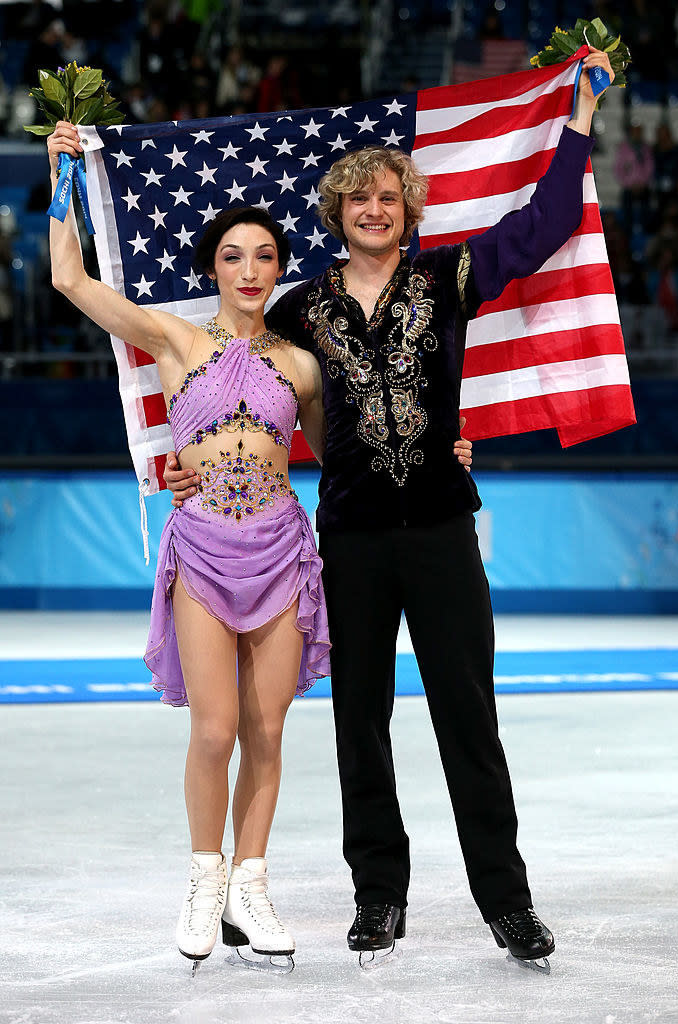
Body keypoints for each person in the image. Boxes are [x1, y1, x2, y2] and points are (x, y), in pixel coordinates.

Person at [166, 47, 614, 968]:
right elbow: (223, 380)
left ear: (409, 210)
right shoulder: (296, 308)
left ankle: (507, 902)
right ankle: (378, 898)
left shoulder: (450, 278)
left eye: (390, 196)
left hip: (444, 529)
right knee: (357, 725)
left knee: (467, 717)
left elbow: (543, 224)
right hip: (350, 539)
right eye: (358, 198)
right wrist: (188, 470)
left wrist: (577, 123)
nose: (375, 209)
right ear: (336, 213)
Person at [47, 122, 332, 971]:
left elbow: (348, 458)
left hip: (282, 551)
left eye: (266, 257)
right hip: (204, 552)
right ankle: (206, 877)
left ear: (282, 269)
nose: (251, 271)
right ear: (213, 268)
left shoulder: (304, 366)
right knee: (214, 731)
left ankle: (252, 881)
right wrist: (62, 174)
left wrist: (444, 453)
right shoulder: (177, 340)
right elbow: (69, 277)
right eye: (235, 256)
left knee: (266, 731)